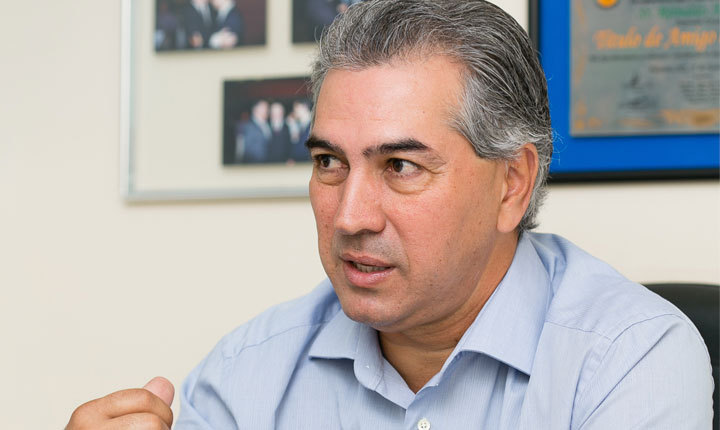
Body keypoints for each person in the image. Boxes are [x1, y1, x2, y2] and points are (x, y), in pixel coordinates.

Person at [67, 1, 714, 428]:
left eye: (400, 166)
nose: (350, 216)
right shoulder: (246, 372)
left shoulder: (630, 360)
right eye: (329, 162)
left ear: (512, 184)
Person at [235, 99, 270, 163]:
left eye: (267, 107)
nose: (267, 110)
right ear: (255, 109)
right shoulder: (247, 126)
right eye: (263, 107)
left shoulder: (267, 125)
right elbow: (243, 149)